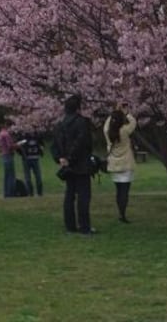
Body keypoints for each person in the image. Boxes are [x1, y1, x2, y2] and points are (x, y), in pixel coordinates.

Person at [51, 94, 96, 235]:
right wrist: (70, 158)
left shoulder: (60, 125)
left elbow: (54, 146)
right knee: (83, 196)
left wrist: (60, 158)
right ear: (78, 108)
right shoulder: (82, 122)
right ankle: (84, 227)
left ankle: (70, 226)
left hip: (67, 166)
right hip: (81, 164)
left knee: (69, 196)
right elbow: (82, 143)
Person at [104, 104, 138, 223]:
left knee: (119, 191)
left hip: (114, 164)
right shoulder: (124, 131)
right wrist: (125, 113)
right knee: (125, 191)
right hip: (126, 163)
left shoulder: (108, 132)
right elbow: (133, 122)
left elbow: (107, 124)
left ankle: (120, 212)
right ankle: (122, 214)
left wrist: (114, 112)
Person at [0, 120, 21, 198]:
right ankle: (11, 193)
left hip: (3, 155)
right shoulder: (6, 135)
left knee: (6, 175)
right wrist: (17, 145)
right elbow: (10, 146)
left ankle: (6, 193)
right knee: (11, 175)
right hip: (8, 155)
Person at [17, 130, 44, 197]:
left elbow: (42, 144)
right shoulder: (23, 136)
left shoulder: (37, 136)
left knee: (38, 177)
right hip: (26, 159)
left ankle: (39, 193)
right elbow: (18, 145)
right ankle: (30, 193)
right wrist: (22, 153)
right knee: (28, 178)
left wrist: (40, 150)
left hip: (35, 158)